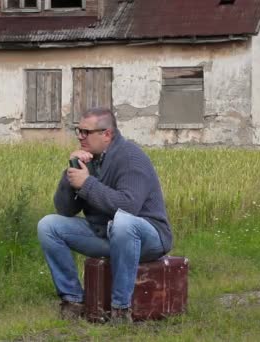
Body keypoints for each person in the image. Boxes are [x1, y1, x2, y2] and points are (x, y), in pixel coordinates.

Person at [37, 107, 173, 323]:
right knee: (49, 226)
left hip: (148, 237)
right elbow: (65, 210)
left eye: (86, 132)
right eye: (78, 131)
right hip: (107, 234)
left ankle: (120, 310)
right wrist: (71, 173)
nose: (80, 137)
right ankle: (73, 301)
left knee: (123, 223)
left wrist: (87, 184)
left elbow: (128, 207)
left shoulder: (130, 157)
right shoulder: (90, 158)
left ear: (106, 134)